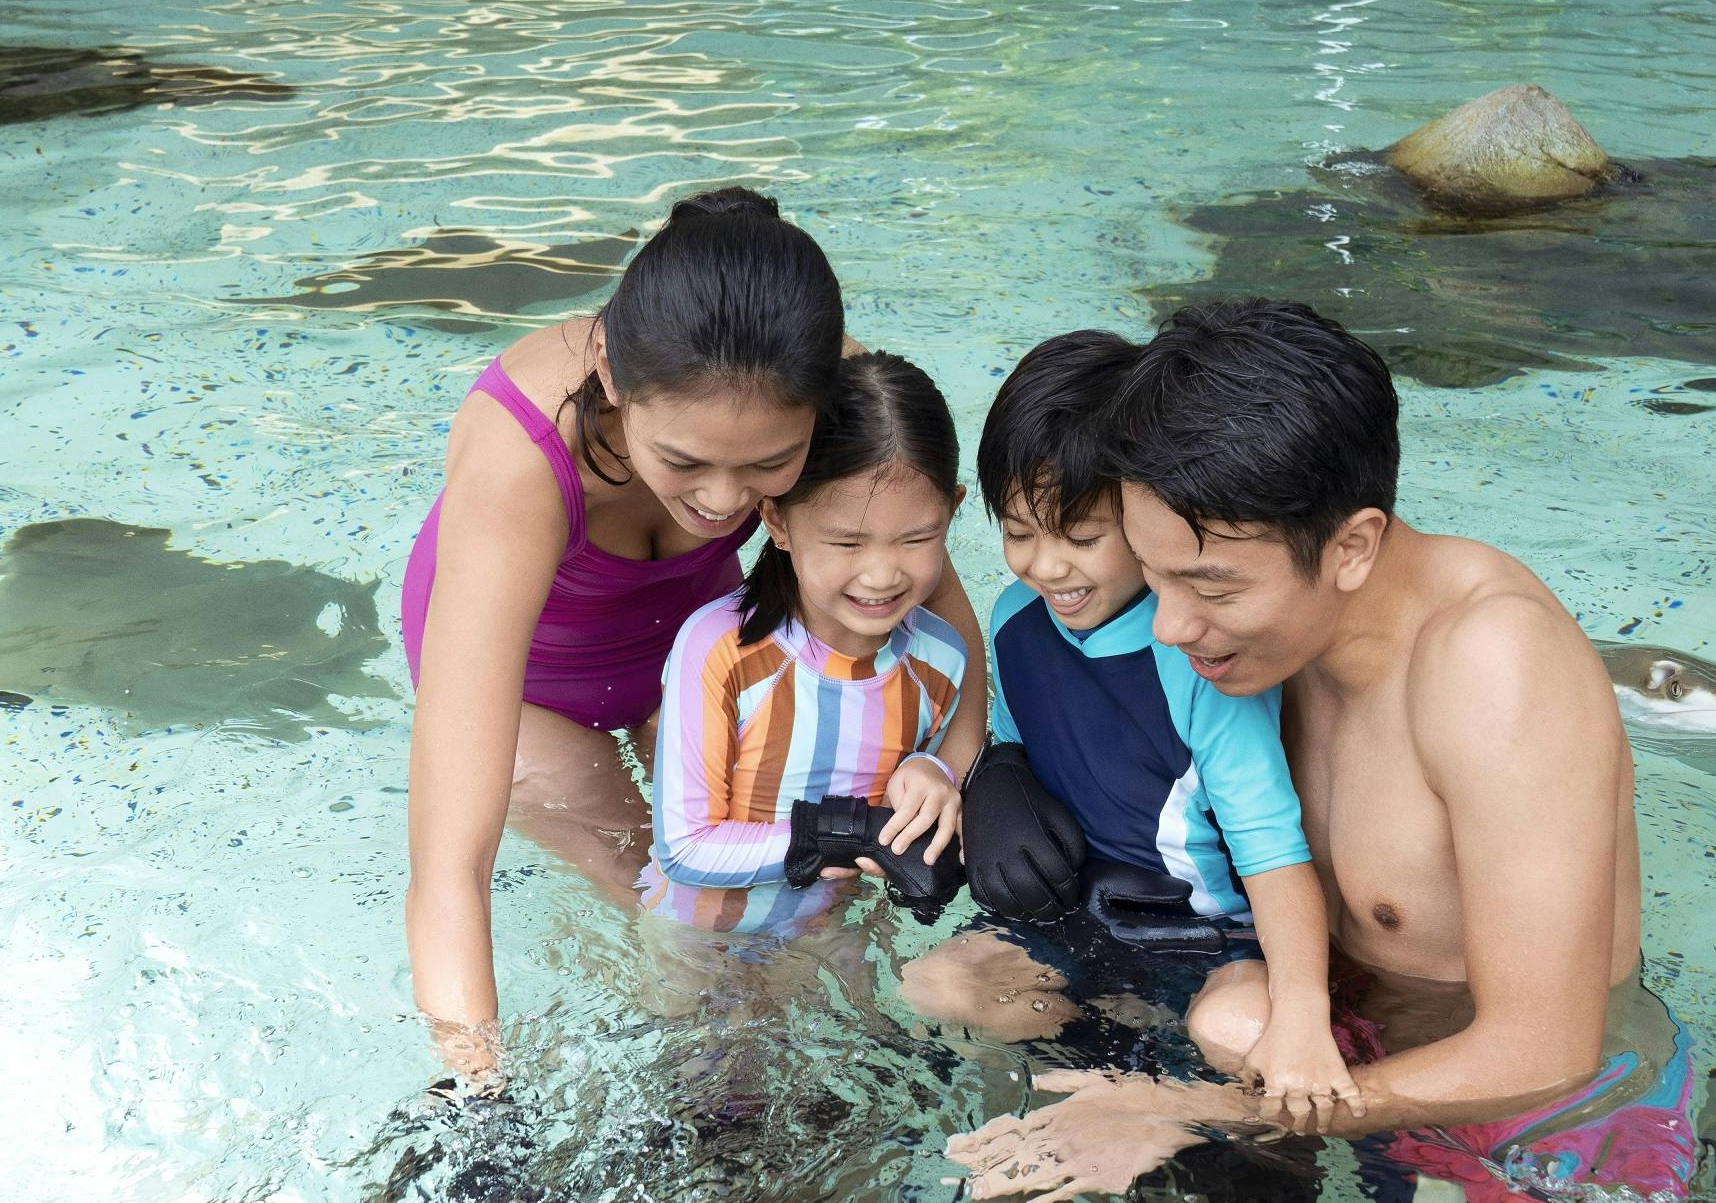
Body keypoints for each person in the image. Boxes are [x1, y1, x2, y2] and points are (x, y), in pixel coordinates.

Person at [945, 300, 1690, 1203]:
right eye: (1156, 573)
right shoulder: (1259, 644)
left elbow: (1547, 1051)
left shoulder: (1495, 672)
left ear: (1352, 546)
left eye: (1210, 587)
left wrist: (1177, 1110)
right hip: (1291, 1053)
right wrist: (993, 771)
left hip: (1523, 1135)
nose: (1169, 629)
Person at [400, 188, 985, 1079]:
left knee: (780, 886)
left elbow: (943, 619)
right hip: (535, 682)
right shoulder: (521, 458)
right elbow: (451, 863)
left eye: (767, 467)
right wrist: (475, 1092)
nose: (722, 502)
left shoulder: (827, 384)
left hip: (702, 629)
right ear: (607, 372)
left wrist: (945, 766)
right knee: (657, 887)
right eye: (681, 461)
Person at [902, 330, 1360, 1130]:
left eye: (1081, 538)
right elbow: (1005, 732)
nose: (1046, 568)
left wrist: (1304, 1013)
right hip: (1078, 911)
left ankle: (1190, 1130)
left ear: (1145, 521)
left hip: (1210, 935)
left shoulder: (1198, 653)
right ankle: (1086, 1073)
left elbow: (1272, 846)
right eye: (1018, 532)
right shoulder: (1015, 621)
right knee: (937, 985)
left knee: (1239, 1030)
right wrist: (987, 780)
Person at [644, 349, 969, 915]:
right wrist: (846, 832)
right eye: (847, 542)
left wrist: (932, 772)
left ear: (953, 511)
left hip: (838, 939)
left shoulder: (941, 660)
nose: (882, 574)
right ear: (777, 521)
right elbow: (684, 848)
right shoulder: (721, 648)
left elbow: (934, 790)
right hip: (697, 944)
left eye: (916, 539)